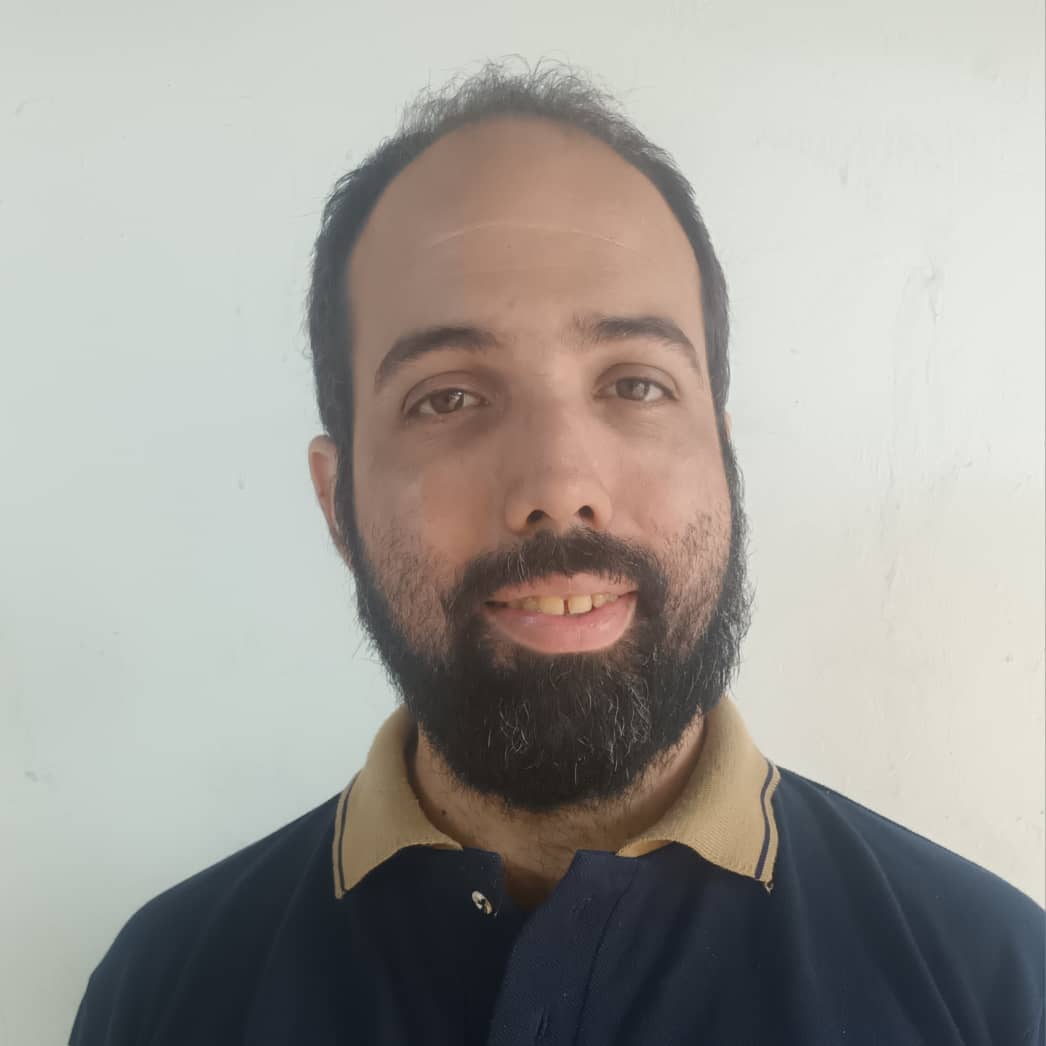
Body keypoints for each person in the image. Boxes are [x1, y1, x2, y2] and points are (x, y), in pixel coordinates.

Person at [70, 59, 1044, 1045]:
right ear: (337, 501)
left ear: (724, 459)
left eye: (635, 383)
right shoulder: (162, 994)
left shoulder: (995, 984)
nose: (558, 484)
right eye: (447, 396)